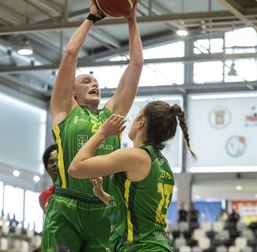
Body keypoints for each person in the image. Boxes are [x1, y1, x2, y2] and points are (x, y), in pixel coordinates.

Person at [42, 0, 143, 252]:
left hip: (103, 209)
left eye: (96, 81)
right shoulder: (65, 110)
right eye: (86, 80)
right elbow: (69, 55)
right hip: (66, 206)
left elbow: (136, 65)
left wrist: (132, 20)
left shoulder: (113, 114)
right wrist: (92, 17)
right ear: (72, 92)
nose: (94, 83)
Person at [69, 101, 196, 251]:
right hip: (157, 245)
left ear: (141, 121)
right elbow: (138, 212)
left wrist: (103, 132)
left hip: (140, 246)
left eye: (136, 116)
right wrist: (102, 195)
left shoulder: (135, 156)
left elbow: (75, 168)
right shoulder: (163, 164)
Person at [39, 144, 58, 213]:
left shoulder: (74, 189)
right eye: (51, 162)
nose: (54, 164)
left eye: (57, 160)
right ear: (46, 168)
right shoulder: (43, 197)